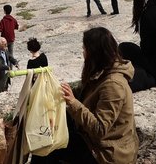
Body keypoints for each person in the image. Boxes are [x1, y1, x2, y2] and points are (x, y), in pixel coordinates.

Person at [50, 27, 137, 164]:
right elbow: (88, 92)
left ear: (95, 53)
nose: (83, 53)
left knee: (52, 146)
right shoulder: (104, 72)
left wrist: (73, 103)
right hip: (99, 144)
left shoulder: (113, 85)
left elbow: (99, 129)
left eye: (85, 49)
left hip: (108, 154)